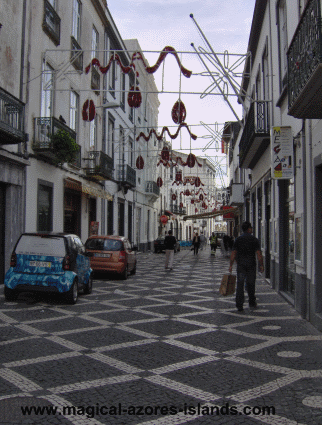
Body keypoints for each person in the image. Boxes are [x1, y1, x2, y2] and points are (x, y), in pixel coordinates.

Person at [228, 221, 264, 312]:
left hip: (241, 266)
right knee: (251, 284)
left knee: (240, 284)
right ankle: (252, 302)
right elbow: (259, 254)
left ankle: (239, 304)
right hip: (251, 265)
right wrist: (261, 265)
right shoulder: (254, 240)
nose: (252, 229)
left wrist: (231, 265)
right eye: (251, 228)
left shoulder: (238, 240)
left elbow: (233, 253)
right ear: (248, 229)